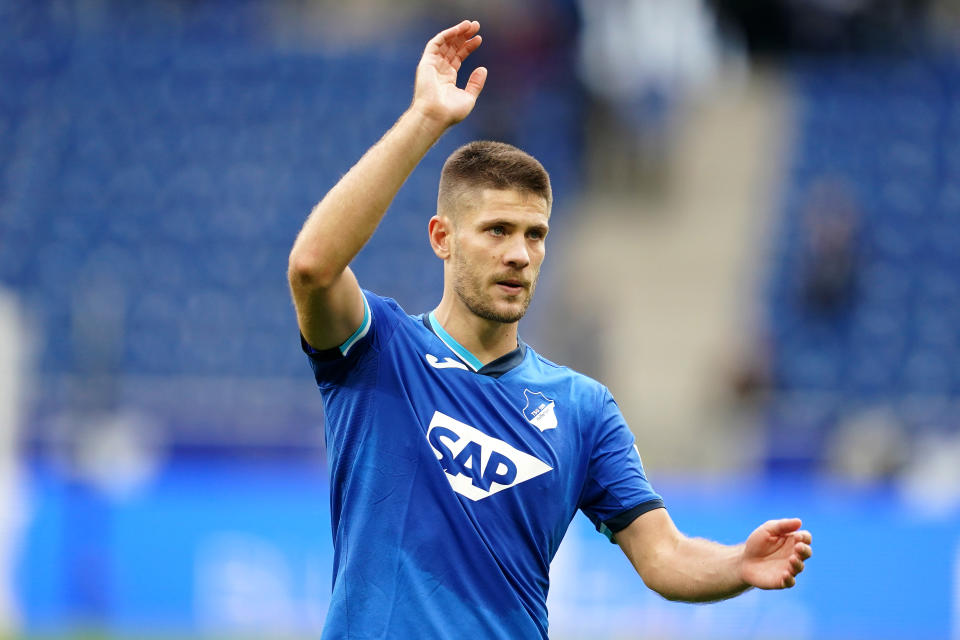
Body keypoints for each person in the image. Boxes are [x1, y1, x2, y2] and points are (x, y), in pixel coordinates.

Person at [288, 20, 812, 639]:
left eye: (535, 235)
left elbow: (663, 556)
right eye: (497, 231)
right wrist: (426, 119)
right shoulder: (379, 352)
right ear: (442, 239)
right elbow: (313, 269)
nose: (520, 254)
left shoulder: (583, 409)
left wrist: (737, 564)